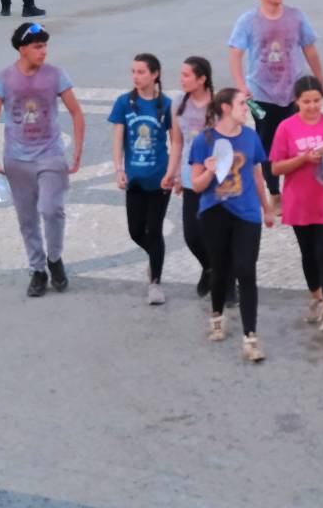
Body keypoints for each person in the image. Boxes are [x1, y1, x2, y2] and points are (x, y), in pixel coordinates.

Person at [0, 22, 85, 298]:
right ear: (22, 49)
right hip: (16, 159)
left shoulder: (56, 75)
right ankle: (37, 269)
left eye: (45, 46)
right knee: (26, 218)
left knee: (52, 209)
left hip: (51, 154)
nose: (44, 52)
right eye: (38, 47)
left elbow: (76, 111)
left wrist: (77, 151)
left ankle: (55, 258)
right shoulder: (2, 79)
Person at [229, 0, 323, 214]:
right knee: (268, 143)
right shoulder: (248, 20)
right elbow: (235, 53)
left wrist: (319, 80)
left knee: (298, 140)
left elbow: (310, 49)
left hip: (293, 90)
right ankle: (274, 193)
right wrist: (242, 85)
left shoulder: (296, 17)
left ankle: (300, 189)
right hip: (261, 93)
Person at [189, 88, 274, 362]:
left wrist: (267, 207)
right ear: (225, 108)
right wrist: (211, 170)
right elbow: (197, 185)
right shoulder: (204, 141)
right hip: (216, 211)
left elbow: (258, 174)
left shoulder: (250, 137)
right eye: (241, 104)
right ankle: (217, 315)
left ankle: (250, 337)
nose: (246, 108)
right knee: (220, 266)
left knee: (246, 269)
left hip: (247, 213)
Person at [270, 75, 323, 334]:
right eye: (306, 101)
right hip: (299, 201)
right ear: (296, 101)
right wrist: (303, 159)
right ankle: (316, 297)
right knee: (309, 253)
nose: (312, 106)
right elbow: (275, 167)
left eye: (316, 101)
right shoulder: (286, 127)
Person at [108, 53, 174, 306]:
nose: (136, 77)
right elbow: (117, 139)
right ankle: (155, 258)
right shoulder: (124, 103)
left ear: (155, 74)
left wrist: (174, 172)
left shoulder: (166, 105)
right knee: (136, 231)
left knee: (154, 230)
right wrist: (118, 169)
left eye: (141, 72)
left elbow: (175, 140)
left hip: (160, 178)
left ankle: (155, 282)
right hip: (134, 178)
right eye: (133, 72)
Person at [165, 56, 215, 297]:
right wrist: (173, 173)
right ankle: (210, 267)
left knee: (216, 231)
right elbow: (176, 141)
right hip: (189, 176)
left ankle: (226, 280)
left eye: (187, 75)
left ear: (202, 78)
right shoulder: (178, 103)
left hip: (215, 176)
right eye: (181, 74)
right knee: (192, 234)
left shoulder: (217, 104)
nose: (181, 79)